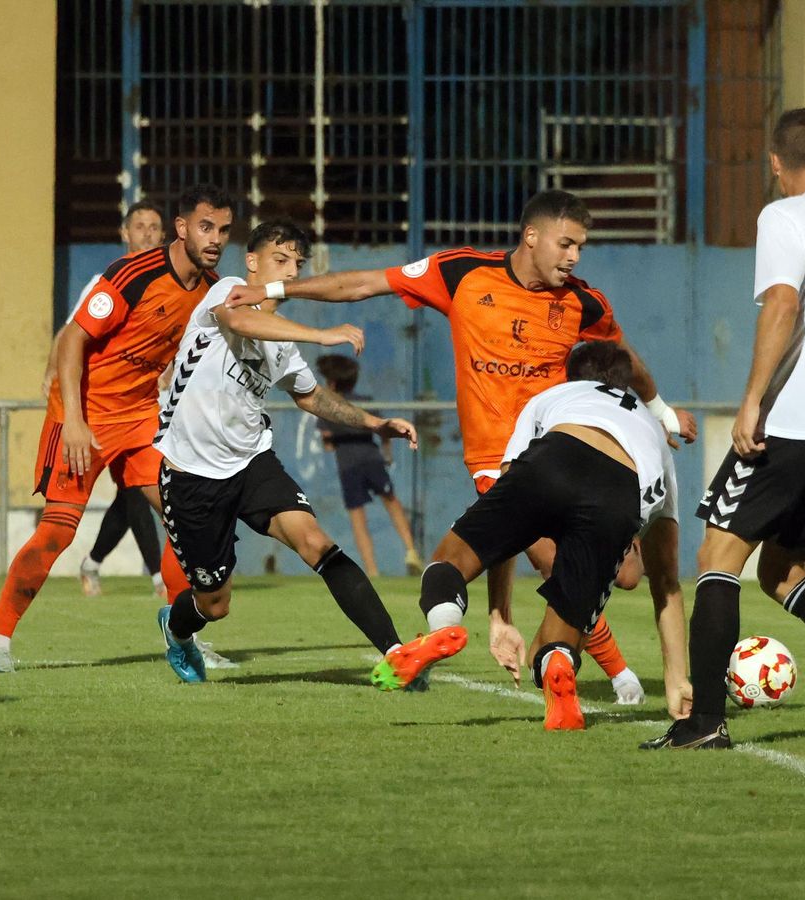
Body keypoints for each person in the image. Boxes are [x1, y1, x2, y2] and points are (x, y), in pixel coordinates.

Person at [224, 189, 694, 705]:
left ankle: (473, 627)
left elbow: (623, 357)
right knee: (562, 566)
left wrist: (663, 411)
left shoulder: (582, 301)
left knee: (606, 571)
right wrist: (274, 288)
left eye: (580, 247)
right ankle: (602, 673)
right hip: (507, 458)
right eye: (566, 244)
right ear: (531, 237)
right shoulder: (463, 273)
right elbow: (362, 284)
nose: (574, 257)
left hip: (558, 453)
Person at [643, 108, 805, 751]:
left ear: (775, 163)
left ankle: (704, 722)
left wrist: (752, 400)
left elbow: (783, 304)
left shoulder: (782, 216)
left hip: (785, 424)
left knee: (716, 560)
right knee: (783, 572)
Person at [152, 219, 464, 686]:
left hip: (251, 461)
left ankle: (397, 653)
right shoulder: (230, 292)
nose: (290, 271)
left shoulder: (282, 344)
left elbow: (313, 397)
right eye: (280, 260)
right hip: (192, 475)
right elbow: (240, 320)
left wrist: (376, 424)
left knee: (317, 542)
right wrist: (322, 335)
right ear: (253, 262)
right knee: (213, 603)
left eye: (296, 264)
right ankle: (176, 633)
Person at [0, 185, 235, 674]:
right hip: (84, 415)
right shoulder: (133, 274)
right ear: (181, 228)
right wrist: (73, 419)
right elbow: (72, 339)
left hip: (140, 419)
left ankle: (185, 638)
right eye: (205, 227)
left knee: (189, 522)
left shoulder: (209, 291)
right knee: (57, 533)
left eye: (222, 230)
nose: (215, 238)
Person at [412, 341, 686, 728]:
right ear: (628, 384)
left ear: (572, 376)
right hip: (621, 491)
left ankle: (442, 627)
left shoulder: (554, 394)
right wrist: (677, 679)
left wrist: (499, 615)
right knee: (552, 646)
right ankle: (557, 660)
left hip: (557, 455)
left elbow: (507, 509)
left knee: (448, 563)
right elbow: (666, 582)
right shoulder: (653, 430)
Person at [44, 201, 171, 602]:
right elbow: (71, 333)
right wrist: (54, 376)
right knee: (135, 493)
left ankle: (94, 563)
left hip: (154, 405)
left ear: (165, 236)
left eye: (154, 227)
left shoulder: (178, 285)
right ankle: (157, 577)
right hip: (106, 409)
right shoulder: (108, 281)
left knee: (135, 493)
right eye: (140, 226)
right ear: (124, 233)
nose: (147, 234)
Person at [314, 353, 421, 577]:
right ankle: (411, 550)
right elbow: (382, 431)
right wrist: (387, 455)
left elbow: (327, 443)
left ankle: (372, 570)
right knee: (392, 502)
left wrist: (335, 439)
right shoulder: (367, 403)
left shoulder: (327, 408)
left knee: (358, 517)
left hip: (348, 466)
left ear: (332, 383)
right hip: (372, 459)